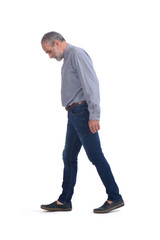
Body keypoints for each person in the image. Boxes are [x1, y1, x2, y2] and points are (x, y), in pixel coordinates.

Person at [40, 31, 124, 213]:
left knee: (95, 156)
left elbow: (91, 84)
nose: (50, 56)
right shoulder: (68, 58)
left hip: (83, 113)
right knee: (68, 157)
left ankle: (115, 197)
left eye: (49, 51)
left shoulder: (77, 54)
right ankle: (64, 201)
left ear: (56, 43)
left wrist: (94, 114)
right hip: (74, 114)